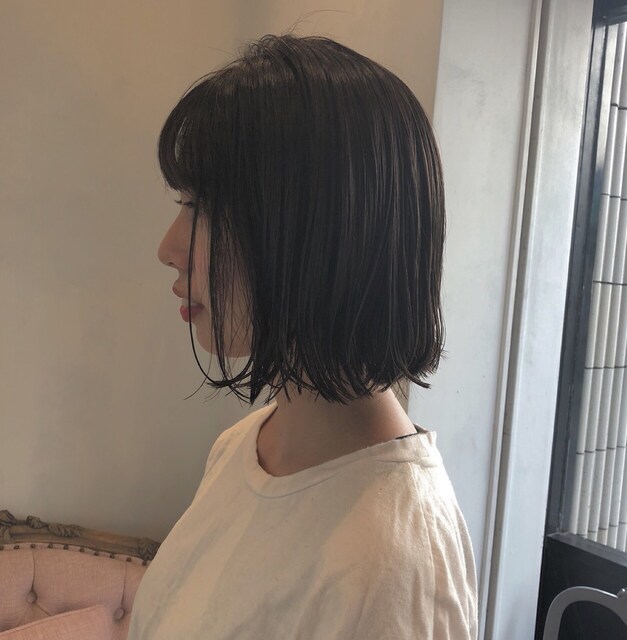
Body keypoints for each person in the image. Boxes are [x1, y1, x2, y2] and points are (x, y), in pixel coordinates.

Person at [127, 32, 478, 640]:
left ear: (321, 231)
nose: (168, 247)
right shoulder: (242, 448)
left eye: (203, 208)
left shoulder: (390, 568)